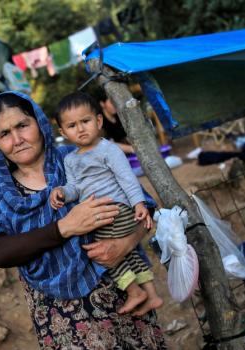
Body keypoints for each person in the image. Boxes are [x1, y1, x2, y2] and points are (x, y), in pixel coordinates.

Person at [0, 91, 166, 349]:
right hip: (64, 317)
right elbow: (0, 253)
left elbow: (145, 206)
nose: (17, 140)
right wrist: (65, 227)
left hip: (124, 293)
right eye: (4, 134)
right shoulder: (4, 193)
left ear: (39, 123)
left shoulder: (79, 156)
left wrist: (123, 245)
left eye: (22, 126)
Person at [49, 91, 163, 315]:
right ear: (63, 133)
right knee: (129, 253)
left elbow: (127, 178)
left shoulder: (108, 149)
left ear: (98, 121)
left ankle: (133, 291)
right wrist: (62, 192)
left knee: (102, 250)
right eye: (72, 126)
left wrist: (138, 203)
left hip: (115, 210)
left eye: (85, 121)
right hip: (102, 213)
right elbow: (75, 188)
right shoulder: (70, 159)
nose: (80, 129)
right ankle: (151, 295)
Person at [95, 88, 135, 154]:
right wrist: (131, 149)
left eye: (115, 102)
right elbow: (105, 144)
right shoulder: (100, 122)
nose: (115, 105)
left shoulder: (119, 116)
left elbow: (126, 136)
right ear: (102, 104)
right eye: (111, 102)